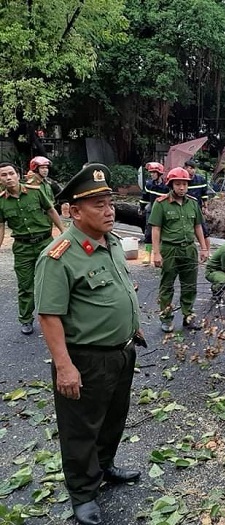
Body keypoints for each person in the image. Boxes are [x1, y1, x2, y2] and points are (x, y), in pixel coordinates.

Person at [34, 163, 143, 525]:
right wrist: (64, 366)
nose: (109, 210)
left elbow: (118, 287)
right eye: (97, 204)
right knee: (81, 428)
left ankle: (105, 466)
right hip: (86, 358)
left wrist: (133, 324)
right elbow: (49, 316)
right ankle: (82, 494)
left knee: (113, 418)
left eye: (109, 202)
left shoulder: (110, 241)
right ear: (74, 211)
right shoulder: (60, 255)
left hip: (121, 352)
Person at [0, 162, 65, 335]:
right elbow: (0, 228)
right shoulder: (1, 202)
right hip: (22, 248)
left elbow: (51, 211)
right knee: (25, 285)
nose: (8, 178)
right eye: (3, 175)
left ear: (17, 174)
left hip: (46, 243)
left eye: (11, 173)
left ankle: (59, 316)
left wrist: (64, 233)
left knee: (54, 282)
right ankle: (26, 319)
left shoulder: (35, 192)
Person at [149, 167, 209, 333]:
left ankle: (188, 315)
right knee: (167, 285)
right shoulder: (161, 204)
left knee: (190, 285)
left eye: (184, 184)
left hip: (189, 249)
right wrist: (156, 253)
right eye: (178, 184)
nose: (182, 187)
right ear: (171, 185)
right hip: (170, 250)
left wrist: (203, 248)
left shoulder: (193, 203)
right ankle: (166, 318)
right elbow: (156, 229)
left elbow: (198, 226)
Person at [138, 162, 168, 265]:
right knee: (149, 232)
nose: (151, 175)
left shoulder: (167, 186)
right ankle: (147, 254)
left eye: (154, 172)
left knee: (164, 233)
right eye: (151, 173)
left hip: (164, 211)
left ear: (159, 174)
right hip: (151, 210)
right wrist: (141, 208)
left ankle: (161, 255)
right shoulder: (149, 184)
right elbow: (144, 198)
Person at [184, 159, 211, 250]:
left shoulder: (201, 180)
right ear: (185, 169)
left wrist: (205, 207)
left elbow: (204, 195)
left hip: (197, 209)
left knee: (204, 231)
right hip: (185, 211)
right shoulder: (183, 181)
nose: (192, 170)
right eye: (190, 168)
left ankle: (206, 250)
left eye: (193, 168)